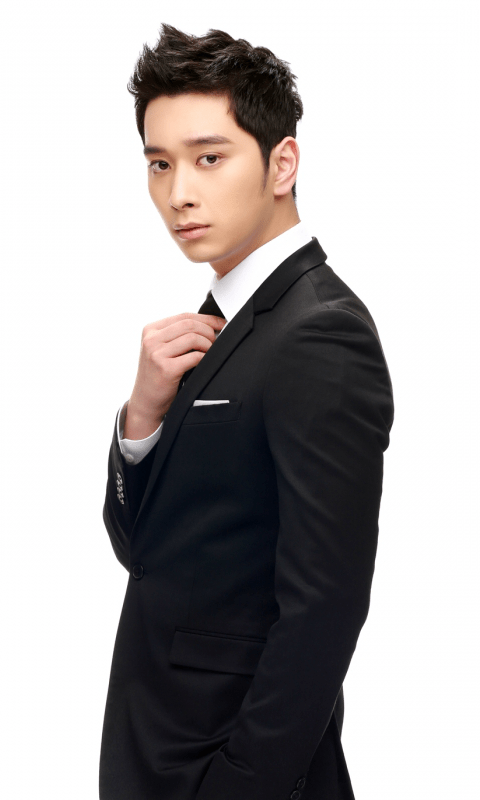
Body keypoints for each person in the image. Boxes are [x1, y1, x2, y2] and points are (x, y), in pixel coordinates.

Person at [99, 22, 394, 800]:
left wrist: (240, 786)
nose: (178, 193)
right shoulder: (224, 323)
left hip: (226, 773)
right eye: (159, 164)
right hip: (158, 751)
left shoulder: (320, 332)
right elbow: (142, 550)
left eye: (208, 157)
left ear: (281, 163)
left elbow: (326, 606)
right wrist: (142, 419)